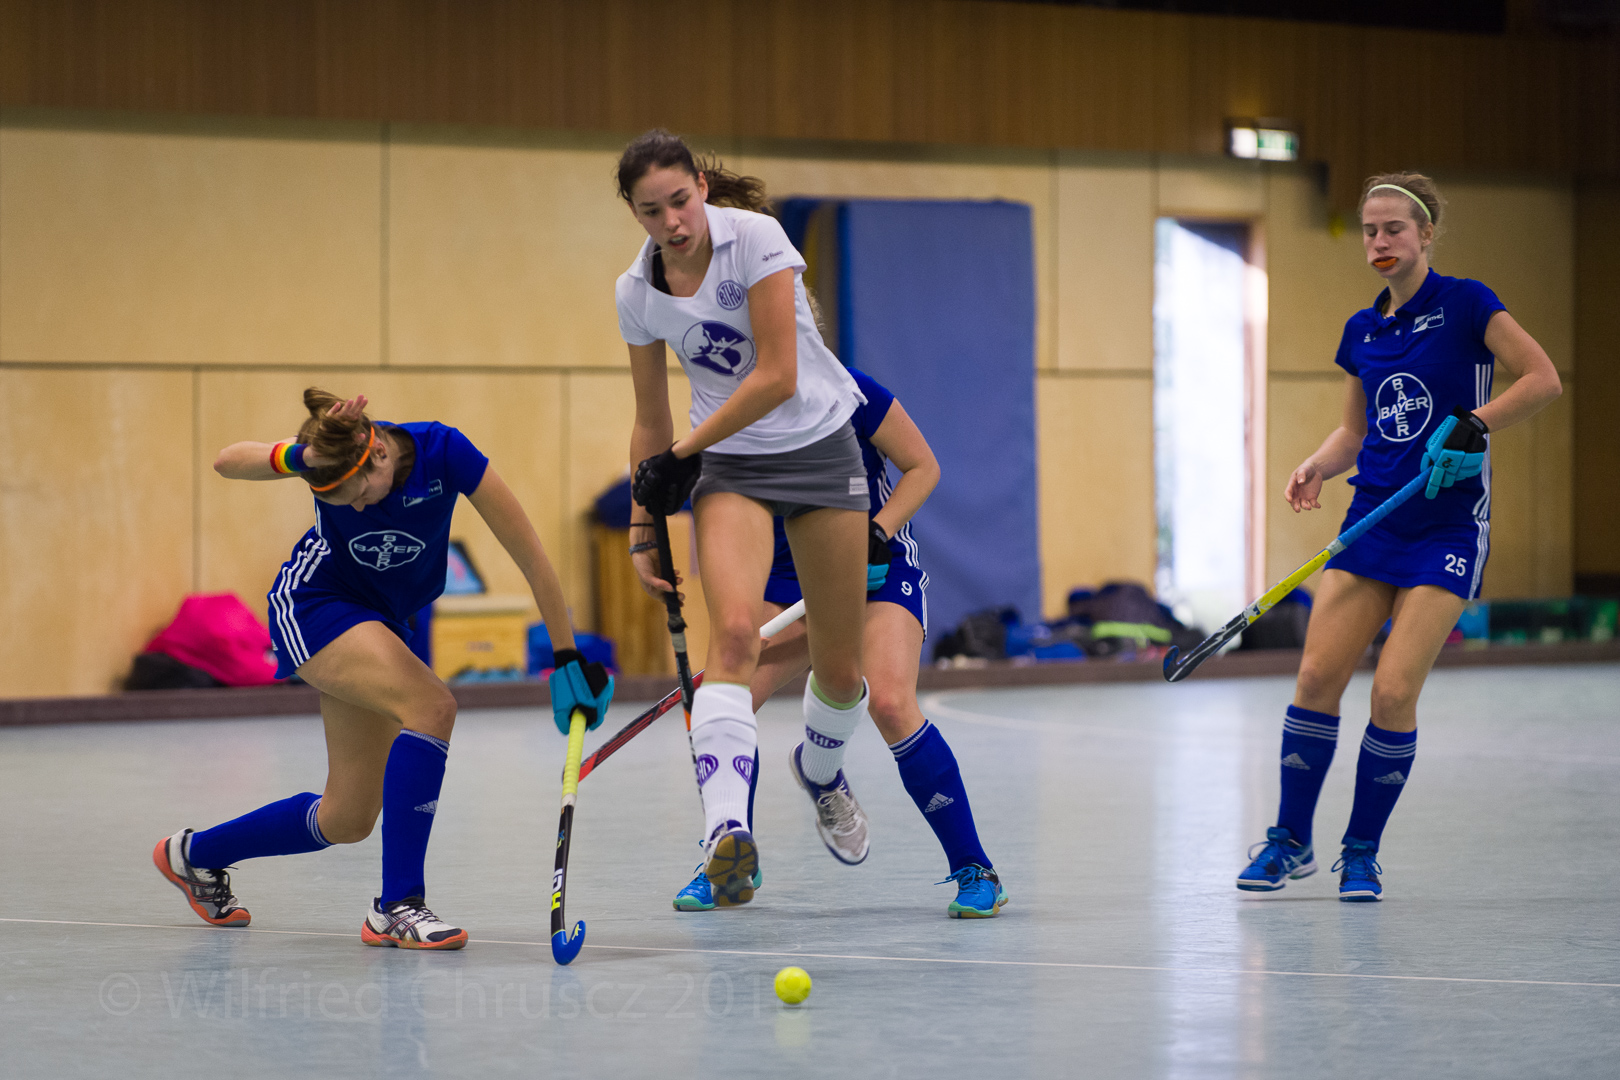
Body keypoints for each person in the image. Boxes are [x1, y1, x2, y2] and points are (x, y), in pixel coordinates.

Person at [153, 390, 612, 948]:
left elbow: (532, 557)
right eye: (342, 502)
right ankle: (398, 906)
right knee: (432, 705)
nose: (358, 510)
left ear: (377, 456)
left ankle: (194, 854)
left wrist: (567, 659)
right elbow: (228, 461)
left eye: (361, 494)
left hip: (383, 620)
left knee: (346, 819)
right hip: (316, 605)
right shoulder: (324, 460)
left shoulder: (445, 452)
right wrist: (297, 456)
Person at [1237, 173, 1561, 901]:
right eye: (1370, 231)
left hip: (1445, 527)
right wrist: (1318, 465)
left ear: (1426, 235)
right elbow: (1357, 430)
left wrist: (1476, 424)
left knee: (1390, 692)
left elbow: (1541, 379)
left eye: (1395, 229)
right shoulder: (1362, 329)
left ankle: (1361, 852)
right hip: (1372, 520)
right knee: (1316, 680)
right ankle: (1290, 841)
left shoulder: (1468, 303)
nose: (1380, 242)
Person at [616, 129, 872, 907]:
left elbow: (777, 374)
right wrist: (643, 524)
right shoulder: (636, 292)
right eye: (651, 211)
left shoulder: (757, 238)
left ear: (701, 185)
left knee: (839, 669)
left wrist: (683, 452)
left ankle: (820, 772)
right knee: (732, 637)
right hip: (732, 467)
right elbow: (651, 418)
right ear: (634, 213)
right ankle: (724, 834)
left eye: (680, 201)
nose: (671, 222)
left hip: (820, 450)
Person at [670, 368, 1007, 918]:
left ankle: (974, 866)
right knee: (730, 702)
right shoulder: (725, 410)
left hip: (874, 566)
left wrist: (879, 530)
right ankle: (728, 851)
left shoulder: (849, 390)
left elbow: (923, 466)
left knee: (890, 702)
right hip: (785, 580)